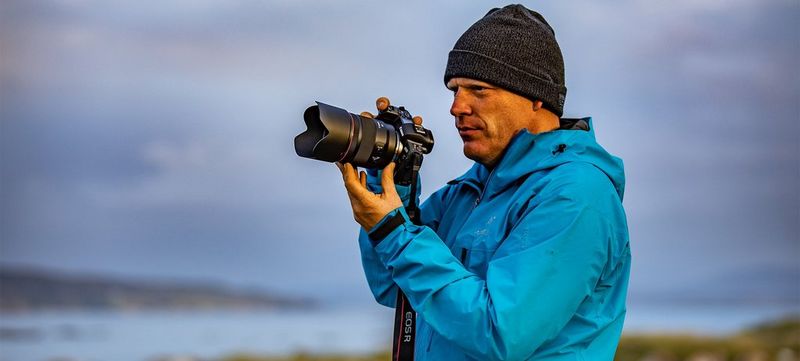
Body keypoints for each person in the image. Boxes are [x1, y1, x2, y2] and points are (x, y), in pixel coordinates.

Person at [337, 4, 630, 360]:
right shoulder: (465, 194)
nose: (456, 107)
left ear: (536, 96)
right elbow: (395, 290)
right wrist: (394, 185)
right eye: (454, 90)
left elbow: (500, 331)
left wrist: (393, 231)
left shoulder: (576, 195)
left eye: (477, 89)